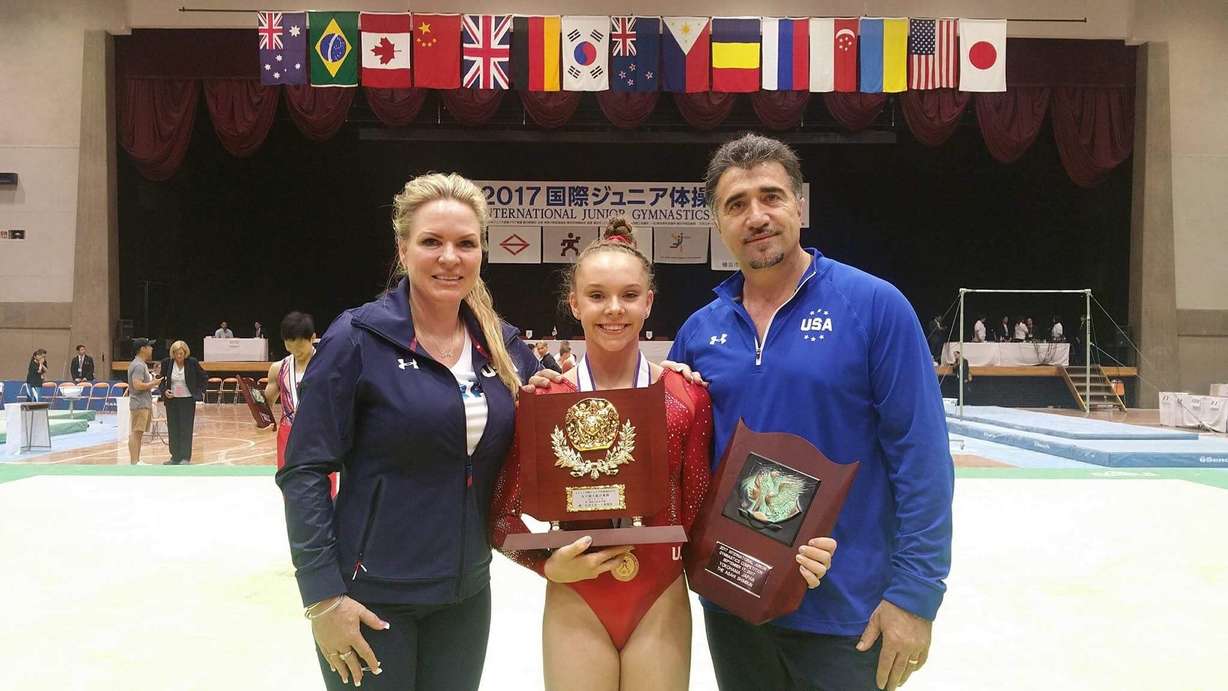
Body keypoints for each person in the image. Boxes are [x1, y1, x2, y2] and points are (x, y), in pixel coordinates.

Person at [667, 134, 953, 691]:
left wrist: (915, 598)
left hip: (848, 611)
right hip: (735, 601)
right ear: (716, 221)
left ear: (800, 205)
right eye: (736, 204)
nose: (756, 216)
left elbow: (921, 459)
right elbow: (675, 461)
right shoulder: (699, 332)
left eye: (771, 197)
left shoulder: (874, 307)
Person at [276, 173, 540, 690]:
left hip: (465, 598)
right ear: (403, 248)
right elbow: (304, 470)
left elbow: (570, 410)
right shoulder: (357, 337)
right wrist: (323, 597)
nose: (450, 257)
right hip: (369, 598)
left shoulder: (501, 345)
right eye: (431, 242)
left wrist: (670, 386)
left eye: (466, 243)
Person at [493, 218, 744, 691]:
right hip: (576, 595)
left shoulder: (685, 397)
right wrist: (545, 564)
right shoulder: (545, 400)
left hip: (661, 594)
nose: (614, 309)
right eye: (596, 296)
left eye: (629, 295)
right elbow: (501, 517)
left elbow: (700, 514)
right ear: (574, 303)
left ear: (649, 302)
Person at [264, 311, 327, 494]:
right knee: (291, 491)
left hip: (319, 435)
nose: (296, 352)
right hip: (288, 434)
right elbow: (265, 407)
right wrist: (261, 421)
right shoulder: (278, 368)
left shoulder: (327, 365)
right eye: (290, 346)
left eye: (300, 346)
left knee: (323, 492)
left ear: (313, 338)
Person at [156, 340, 207, 465]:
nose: (179, 356)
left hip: (187, 400)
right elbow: (160, 380)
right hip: (172, 401)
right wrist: (164, 392)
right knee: (173, 428)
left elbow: (204, 377)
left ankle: (185, 457)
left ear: (185, 353)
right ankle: (175, 457)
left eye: (181, 354)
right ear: (173, 353)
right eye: (177, 354)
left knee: (186, 428)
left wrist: (199, 392)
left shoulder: (192, 363)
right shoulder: (167, 363)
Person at [127, 338, 162, 465]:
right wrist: (154, 383)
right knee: (136, 432)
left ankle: (136, 460)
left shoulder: (140, 364)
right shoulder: (138, 365)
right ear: (143, 349)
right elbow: (137, 385)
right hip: (139, 403)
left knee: (138, 433)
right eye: (149, 346)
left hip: (142, 402)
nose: (151, 349)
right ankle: (134, 461)